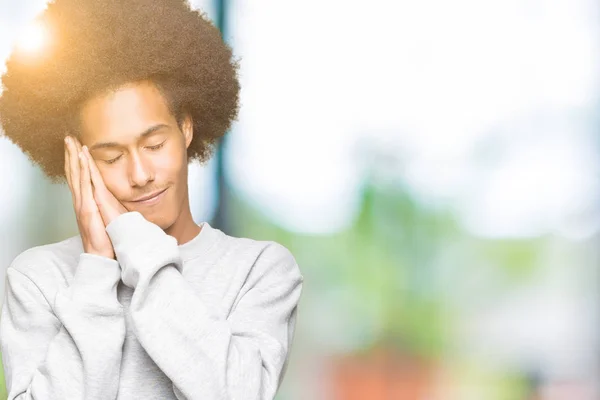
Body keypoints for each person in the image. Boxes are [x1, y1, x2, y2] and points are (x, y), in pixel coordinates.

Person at [0, 1, 304, 399]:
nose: (141, 175)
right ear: (79, 161)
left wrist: (131, 239)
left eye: (155, 144)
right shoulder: (38, 278)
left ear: (187, 129)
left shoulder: (259, 270)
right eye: (112, 157)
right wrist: (96, 267)